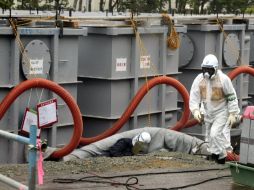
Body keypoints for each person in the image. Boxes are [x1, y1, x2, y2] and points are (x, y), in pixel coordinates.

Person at [189, 54, 240, 164]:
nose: (207, 73)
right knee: (209, 137)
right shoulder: (199, 80)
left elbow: (232, 96)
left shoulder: (223, 80)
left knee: (215, 134)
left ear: (215, 69)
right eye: (205, 69)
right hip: (208, 113)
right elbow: (194, 96)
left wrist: (232, 114)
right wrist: (196, 111)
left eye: (210, 70)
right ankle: (215, 157)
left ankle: (222, 157)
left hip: (222, 112)